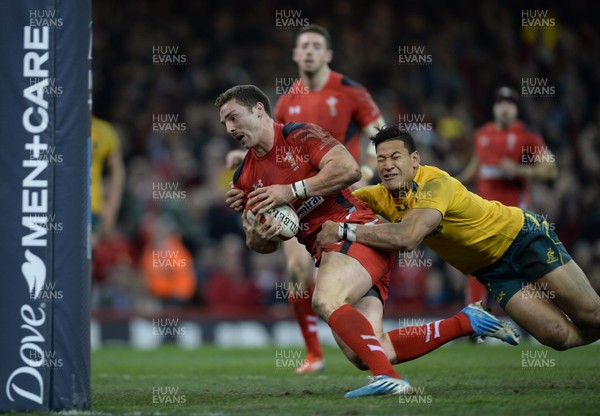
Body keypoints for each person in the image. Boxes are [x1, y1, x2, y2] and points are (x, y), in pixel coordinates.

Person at [216, 85, 518, 398]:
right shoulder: (244, 178)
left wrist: (291, 191)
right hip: (332, 252)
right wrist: (259, 235)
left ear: (259, 111)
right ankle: (467, 321)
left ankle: (389, 379)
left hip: (356, 231)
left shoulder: (300, 135)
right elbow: (260, 245)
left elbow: (347, 169)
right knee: (367, 351)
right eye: (224, 123)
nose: (229, 128)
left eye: (234, 117)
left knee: (324, 299)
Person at [315, 125, 600, 354]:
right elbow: (337, 201)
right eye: (381, 159)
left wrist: (341, 231)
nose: (387, 165)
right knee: (558, 337)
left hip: (522, 238)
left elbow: (407, 237)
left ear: (415, 160)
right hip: (494, 272)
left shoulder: (435, 183)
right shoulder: (378, 195)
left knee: (591, 315)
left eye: (395, 157)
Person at [225, 24, 385, 373]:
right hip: (299, 204)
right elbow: (271, 147)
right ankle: (314, 353)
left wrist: (369, 175)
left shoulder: (350, 92)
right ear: (296, 55)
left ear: (327, 54)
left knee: (348, 278)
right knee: (297, 269)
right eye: (304, 46)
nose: (310, 51)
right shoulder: (287, 100)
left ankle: (369, 335)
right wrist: (244, 163)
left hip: (343, 189)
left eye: (316, 46)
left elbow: (380, 135)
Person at [456, 86, 558, 307]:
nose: (504, 108)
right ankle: (476, 320)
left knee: (526, 265)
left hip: (515, 216)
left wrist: (520, 170)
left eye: (509, 103)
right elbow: (475, 170)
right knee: (476, 264)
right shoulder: (481, 134)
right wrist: (450, 181)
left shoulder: (527, 135)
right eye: (500, 103)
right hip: (485, 215)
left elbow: (551, 170)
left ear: (516, 109)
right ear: (494, 107)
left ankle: (539, 315)